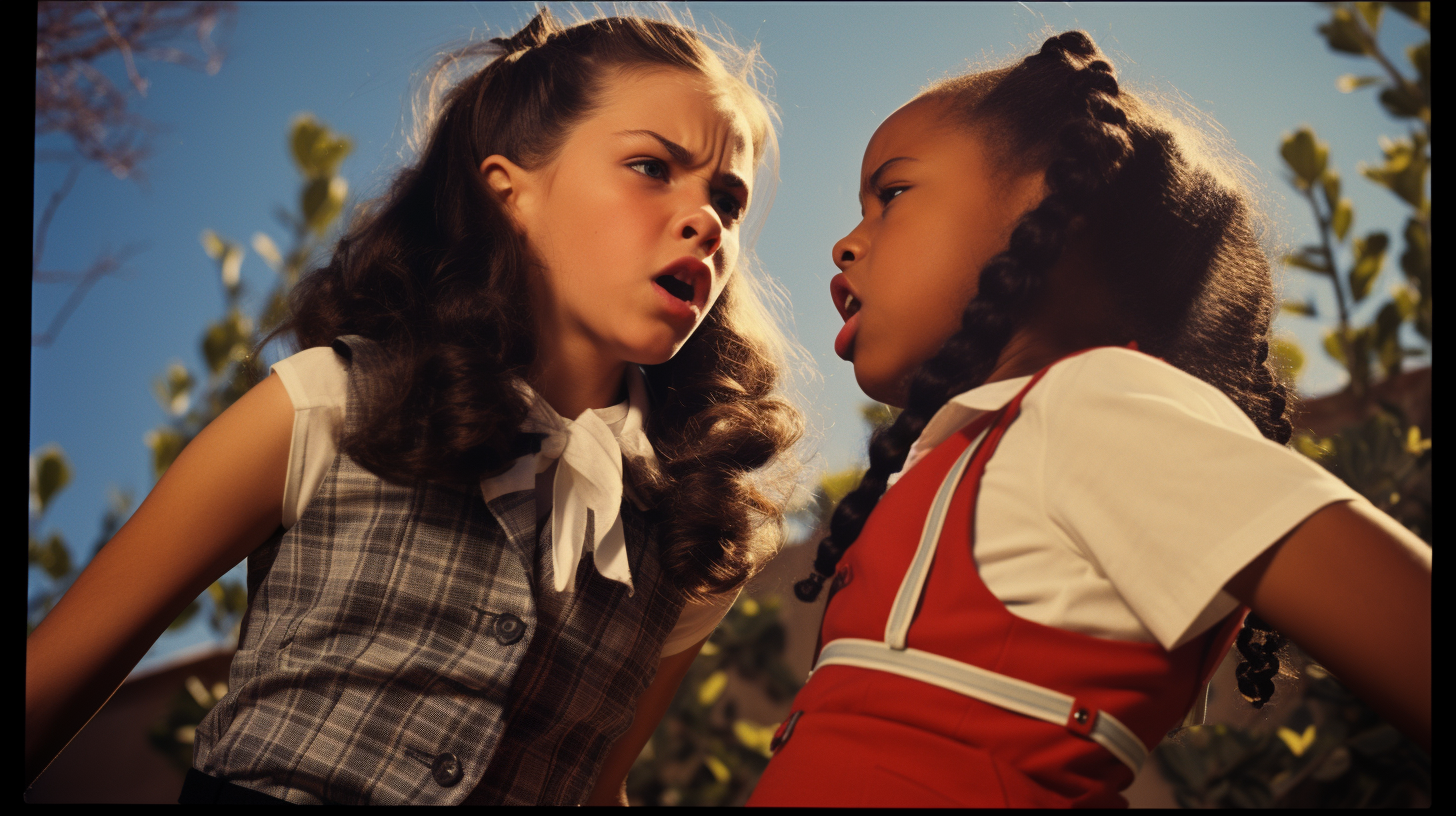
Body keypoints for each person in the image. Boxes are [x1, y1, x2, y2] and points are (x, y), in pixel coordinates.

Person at [25, 9, 803, 805]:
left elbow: (599, 790)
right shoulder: (330, 403)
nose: (707, 221)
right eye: (650, 166)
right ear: (511, 193)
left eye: (729, 202)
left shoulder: (690, 541)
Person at [748, 31, 1430, 808]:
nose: (845, 244)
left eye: (892, 194)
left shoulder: (1094, 405)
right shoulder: (980, 448)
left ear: (1053, 201)